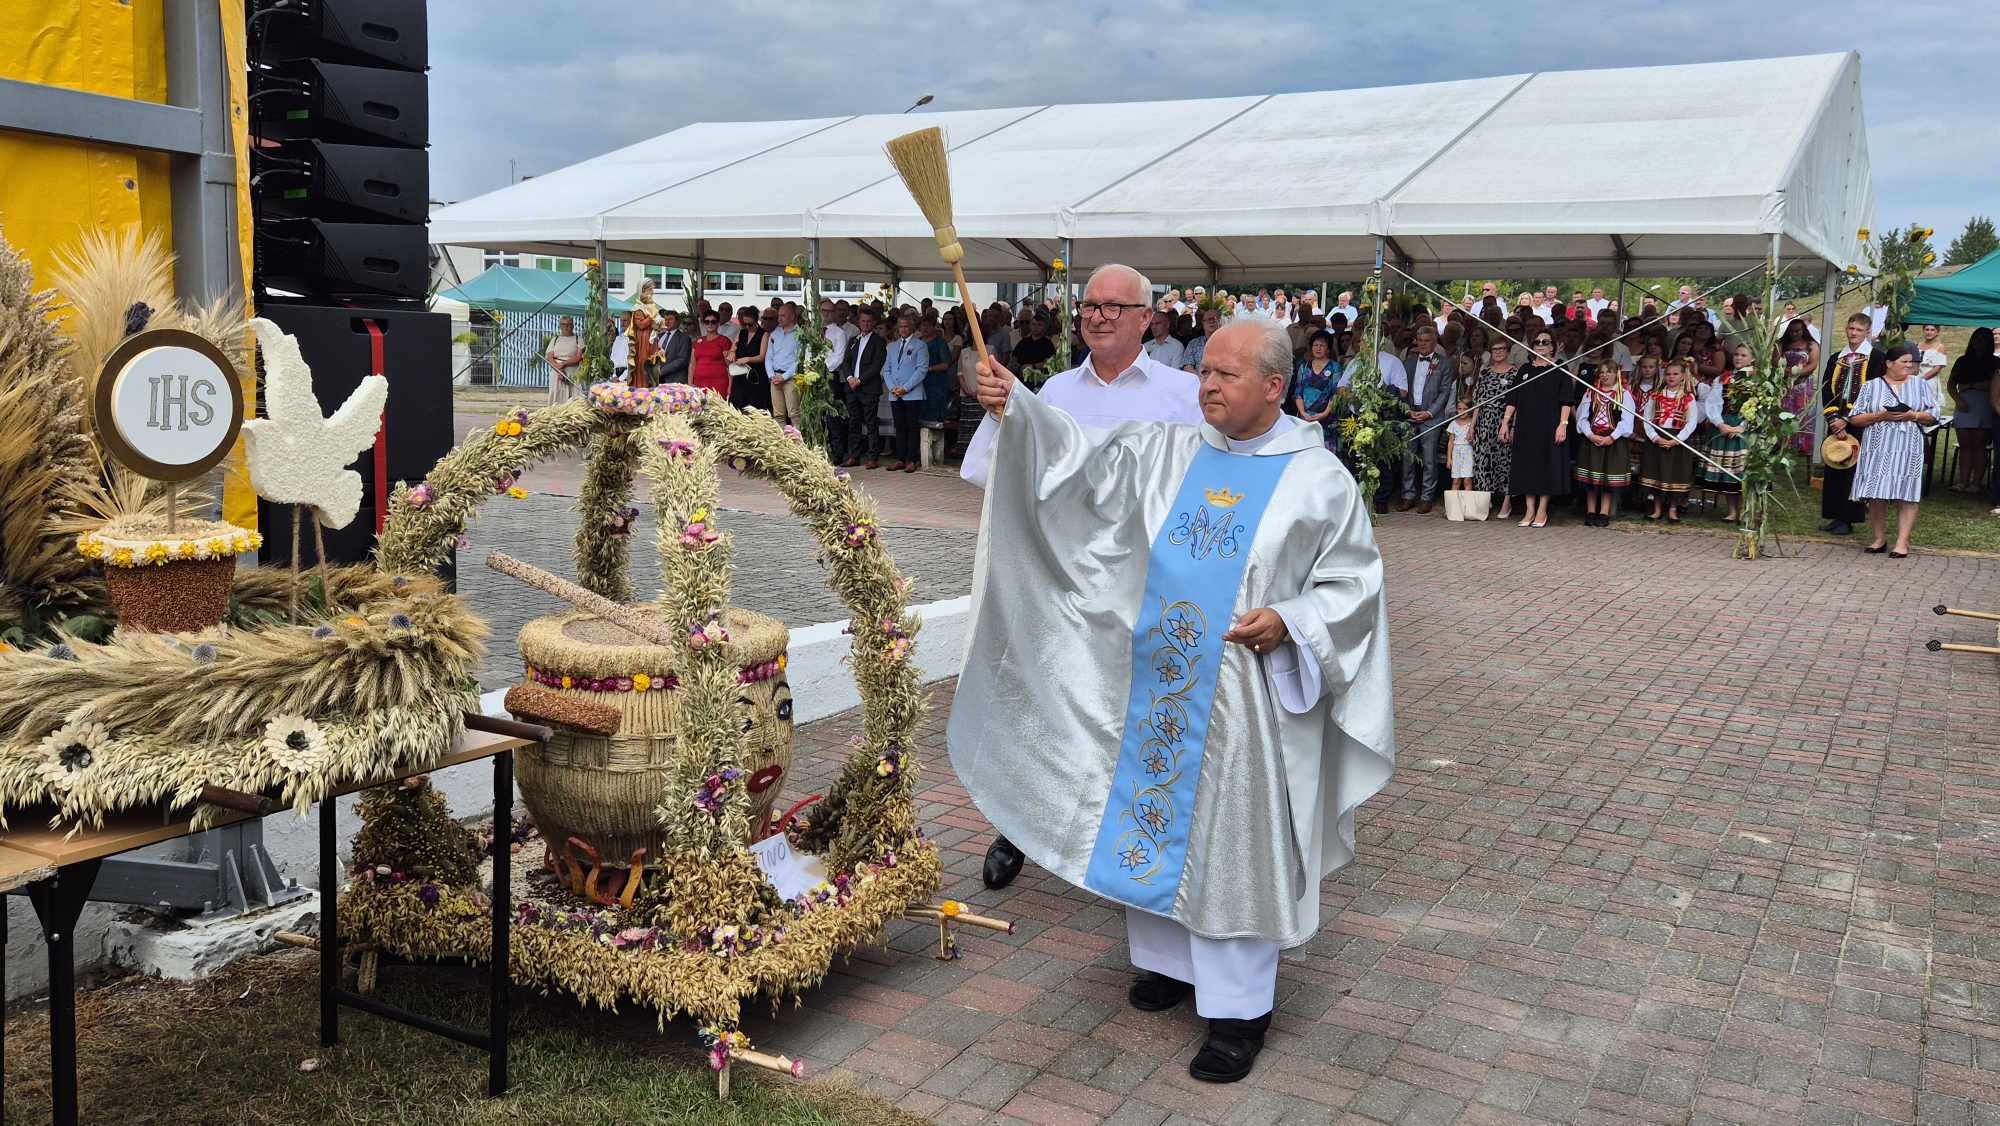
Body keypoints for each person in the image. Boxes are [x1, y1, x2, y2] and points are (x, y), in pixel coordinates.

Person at [956, 314, 1395, 1085]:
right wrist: (1017, 405)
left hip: (1248, 704)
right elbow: (1079, 460)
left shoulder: (1317, 480)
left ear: (1274, 386)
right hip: (1158, 687)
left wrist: (1290, 620)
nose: (1208, 386)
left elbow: (1354, 586)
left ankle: (1239, 1013)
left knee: (1234, 843)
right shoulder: (1169, 451)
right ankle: (1169, 963)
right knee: (1150, 817)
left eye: (1226, 374)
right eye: (1204, 372)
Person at [960, 264, 1202, 891]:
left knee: (1126, 710)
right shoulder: (1055, 391)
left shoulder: (1184, 394)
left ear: (1146, 319)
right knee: (1043, 699)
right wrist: (1004, 413)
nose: (1097, 316)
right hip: (1061, 585)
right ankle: (1017, 824)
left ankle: (1128, 835)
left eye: (1113, 306)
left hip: (1142, 584)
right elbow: (1007, 473)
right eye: (1090, 305)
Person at [1850, 345, 1941, 557]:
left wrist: (1913, 415)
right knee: (1876, 492)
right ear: (1889, 363)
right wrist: (1880, 416)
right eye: (1904, 361)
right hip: (1877, 447)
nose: (1909, 365)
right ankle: (1879, 538)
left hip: (1908, 447)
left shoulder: (1920, 384)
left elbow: (1934, 413)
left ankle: (1902, 542)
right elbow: (1855, 418)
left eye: (1911, 362)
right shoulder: (1871, 386)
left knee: (1907, 492)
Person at [1500, 330, 1570, 528]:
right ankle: (1529, 510)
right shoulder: (1525, 369)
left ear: (1552, 346)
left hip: (1550, 425)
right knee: (1527, 467)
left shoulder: (1560, 367)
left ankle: (1542, 510)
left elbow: (1566, 399)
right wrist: (1505, 422)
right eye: (1537, 342)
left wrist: (1563, 424)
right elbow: (1513, 398)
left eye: (1545, 342)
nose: (1540, 345)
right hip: (1526, 426)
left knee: (1546, 466)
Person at [1820, 313, 1874, 535]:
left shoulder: (1875, 358)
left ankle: (1848, 517)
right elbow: (1826, 389)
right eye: (1851, 328)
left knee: (1852, 468)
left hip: (1860, 421)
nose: (1854, 333)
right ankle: (1834, 514)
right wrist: (1833, 418)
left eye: (1859, 330)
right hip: (1836, 420)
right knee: (1834, 464)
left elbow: (1872, 392)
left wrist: (1848, 418)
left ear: (1867, 332)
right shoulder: (1836, 358)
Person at [1397, 325, 1455, 514]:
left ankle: (1427, 497)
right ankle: (1408, 495)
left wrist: (1430, 412)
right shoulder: (1408, 363)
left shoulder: (1444, 363)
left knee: (1429, 459)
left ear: (1435, 342)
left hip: (1431, 416)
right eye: (1420, 341)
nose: (1422, 344)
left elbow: (1445, 391)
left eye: (1427, 341)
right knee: (1407, 458)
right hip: (1410, 414)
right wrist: (1407, 411)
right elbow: (1401, 389)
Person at [1572, 360, 1635, 526]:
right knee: (1591, 479)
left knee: (1608, 479)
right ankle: (1590, 511)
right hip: (1592, 439)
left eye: (1609, 372)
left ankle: (1604, 512)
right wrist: (1590, 434)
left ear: (1617, 374)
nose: (1605, 375)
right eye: (1602, 372)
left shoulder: (1624, 394)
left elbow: (1627, 421)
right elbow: (1582, 417)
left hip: (1613, 441)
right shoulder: (1591, 392)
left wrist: (1612, 437)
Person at [1640, 359, 1702, 522]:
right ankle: (1657, 509)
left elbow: (1691, 422)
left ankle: (1673, 509)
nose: (1671, 377)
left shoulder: (1688, 397)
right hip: (1658, 437)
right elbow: (1647, 418)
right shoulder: (1656, 395)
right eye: (1668, 374)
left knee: (1676, 474)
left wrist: (1677, 440)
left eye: (1675, 374)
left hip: (1678, 440)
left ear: (1683, 376)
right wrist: (1655, 437)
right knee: (1657, 472)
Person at [831, 306, 885, 468]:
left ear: (873, 323)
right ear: (858, 322)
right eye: (863, 321)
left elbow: (876, 365)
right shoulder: (853, 340)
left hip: (868, 388)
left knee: (871, 423)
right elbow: (846, 362)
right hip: (852, 388)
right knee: (853, 422)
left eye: (869, 321)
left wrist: (860, 380)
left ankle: (872, 457)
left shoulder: (879, 341)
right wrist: (849, 378)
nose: (866, 324)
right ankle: (854, 456)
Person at [1470, 340, 1517, 521]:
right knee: (1482, 460)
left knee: (1505, 461)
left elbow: (1518, 402)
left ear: (1508, 351)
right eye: (1494, 349)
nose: (1497, 352)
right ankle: (1484, 500)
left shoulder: (1515, 373)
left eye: (1501, 348)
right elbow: (1478, 401)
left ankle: (1506, 502)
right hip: (1484, 421)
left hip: (1505, 420)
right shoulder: (1485, 372)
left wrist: (1513, 426)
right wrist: (1472, 426)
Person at [1948, 328, 1997, 492]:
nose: (1979, 342)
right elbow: (1951, 384)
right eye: (1977, 338)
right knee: (1965, 445)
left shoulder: (1995, 362)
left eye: (1984, 339)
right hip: (1964, 404)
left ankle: (1976, 482)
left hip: (1984, 404)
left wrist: (1973, 386)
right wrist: (1958, 399)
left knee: (1979, 445)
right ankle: (1963, 481)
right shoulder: (1962, 361)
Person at [1291, 330, 1341, 451]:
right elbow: (1298, 392)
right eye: (1316, 345)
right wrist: (1303, 413)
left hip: (1327, 419)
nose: (1318, 348)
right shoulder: (1304, 366)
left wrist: (1324, 414)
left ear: (1328, 349)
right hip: (1305, 418)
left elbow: (1336, 393)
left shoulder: (1335, 367)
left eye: (1322, 345)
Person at [764, 301, 803, 428]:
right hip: (775, 377)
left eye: (782, 316)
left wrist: (784, 376)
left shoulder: (801, 335)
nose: (779, 318)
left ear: (792, 316)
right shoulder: (775, 333)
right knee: (778, 414)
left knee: (794, 414)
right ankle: (781, 439)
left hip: (791, 378)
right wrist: (771, 375)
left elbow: (800, 360)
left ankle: (798, 439)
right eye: (779, 315)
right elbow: (768, 357)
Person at [689, 310, 733, 399]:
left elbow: (730, 366)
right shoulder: (697, 341)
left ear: (718, 323)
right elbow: (692, 365)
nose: (710, 324)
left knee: (717, 407)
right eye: (707, 322)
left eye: (713, 321)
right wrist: (690, 384)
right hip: (699, 384)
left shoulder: (724, 341)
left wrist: (730, 387)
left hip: (719, 384)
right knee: (699, 407)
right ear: (704, 324)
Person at [629, 280, 663, 388]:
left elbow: (659, 322)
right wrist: (652, 317)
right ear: (643, 290)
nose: (652, 292)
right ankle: (642, 383)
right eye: (650, 290)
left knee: (652, 360)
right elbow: (640, 325)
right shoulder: (638, 308)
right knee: (642, 360)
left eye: (652, 290)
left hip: (651, 338)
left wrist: (659, 322)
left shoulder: (651, 306)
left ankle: (651, 382)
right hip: (642, 338)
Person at [545, 315, 584, 404]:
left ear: (573, 325)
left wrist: (563, 364)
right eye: (563, 324)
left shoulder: (578, 339)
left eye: (568, 324)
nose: (566, 327)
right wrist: (560, 370)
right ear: (560, 326)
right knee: (556, 396)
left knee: (573, 398)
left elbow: (578, 357)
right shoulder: (555, 339)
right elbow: (550, 357)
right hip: (557, 372)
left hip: (572, 372)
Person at [1446, 394, 1476, 493]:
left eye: (1465, 409)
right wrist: (1449, 459)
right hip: (1456, 454)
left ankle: (1468, 501)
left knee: (1467, 480)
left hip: (1468, 453)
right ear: (1456, 409)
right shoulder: (1453, 424)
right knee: (1456, 480)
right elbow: (1450, 442)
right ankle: (1453, 501)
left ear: (1470, 410)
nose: (1462, 411)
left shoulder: (1472, 424)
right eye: (1459, 409)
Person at [655, 309, 691, 385]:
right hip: (657, 380)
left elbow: (682, 360)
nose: (667, 322)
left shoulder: (684, 338)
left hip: (675, 380)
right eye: (665, 319)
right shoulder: (658, 336)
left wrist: (660, 371)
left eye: (670, 319)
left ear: (677, 322)